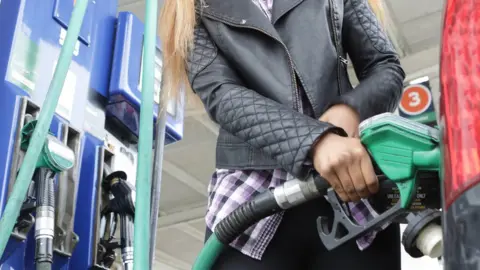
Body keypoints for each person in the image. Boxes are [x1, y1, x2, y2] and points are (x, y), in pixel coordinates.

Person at [160, 0, 405, 269]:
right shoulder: (192, 7)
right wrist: (316, 140)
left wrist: (349, 110)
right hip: (248, 201)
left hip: (354, 188)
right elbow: (222, 94)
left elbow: (385, 66)